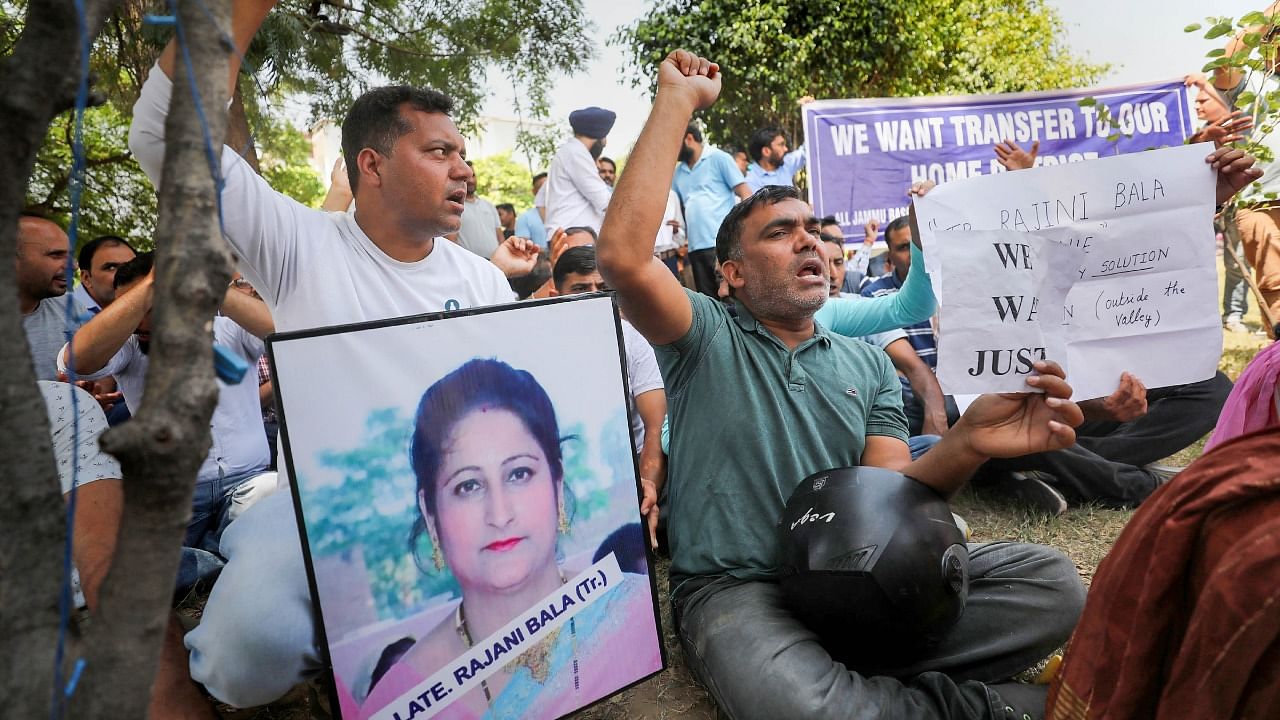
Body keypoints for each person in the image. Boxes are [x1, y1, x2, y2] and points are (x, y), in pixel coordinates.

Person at [596, 48, 1089, 719]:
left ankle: (862, 682)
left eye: (812, 231)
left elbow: (895, 497)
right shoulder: (704, 334)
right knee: (798, 703)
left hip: (863, 580)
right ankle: (992, 707)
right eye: (780, 233)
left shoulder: (866, 364)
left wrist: (970, 440)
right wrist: (676, 102)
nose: (810, 244)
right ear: (731, 274)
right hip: (739, 591)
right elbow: (624, 257)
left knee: (1051, 583)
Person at [128, 0, 540, 707]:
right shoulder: (300, 247)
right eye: (440, 152)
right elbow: (167, 140)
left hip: (459, 505)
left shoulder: (481, 280)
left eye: (463, 154)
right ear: (372, 165)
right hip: (325, 510)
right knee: (245, 657)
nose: (464, 171)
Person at [346, 358, 660, 719]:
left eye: (519, 473)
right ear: (430, 514)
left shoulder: (633, 615)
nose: (499, 514)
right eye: (468, 485)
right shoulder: (397, 702)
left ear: (557, 485)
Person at [58, 252, 279, 589]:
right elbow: (76, 361)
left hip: (247, 484)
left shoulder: (231, 330)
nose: (143, 321)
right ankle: (220, 561)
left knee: (272, 495)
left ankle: (209, 561)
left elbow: (281, 328)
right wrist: (150, 284)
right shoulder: (129, 344)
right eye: (135, 307)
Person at [551, 246, 668, 545]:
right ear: (555, 296)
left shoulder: (634, 339)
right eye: (581, 288)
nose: (595, 296)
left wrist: (645, 493)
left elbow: (655, 429)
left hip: (633, 473)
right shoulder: (542, 348)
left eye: (603, 288)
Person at [820, 232, 948, 441]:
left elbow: (913, 364)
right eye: (820, 264)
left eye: (838, 262)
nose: (832, 273)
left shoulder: (857, 306)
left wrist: (936, 418)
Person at [672, 121, 751, 297]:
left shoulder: (719, 158)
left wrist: (738, 232)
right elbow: (679, 208)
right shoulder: (678, 173)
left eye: (674, 142)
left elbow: (746, 193)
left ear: (689, 138)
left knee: (732, 297)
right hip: (695, 248)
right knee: (709, 302)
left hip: (721, 244)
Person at [18, 215, 87, 382]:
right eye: (56, 255)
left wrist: (87, 396)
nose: (74, 265)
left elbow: (98, 373)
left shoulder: (73, 310)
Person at [544, 106, 615, 234]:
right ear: (598, 136)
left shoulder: (570, 152)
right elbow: (605, 202)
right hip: (573, 237)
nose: (605, 143)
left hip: (571, 234)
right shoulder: (577, 154)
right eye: (604, 138)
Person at [73, 234, 137, 314]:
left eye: (132, 265)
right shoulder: (61, 314)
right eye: (111, 268)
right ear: (87, 278)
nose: (127, 274)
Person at [456, 163, 504, 259]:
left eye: (473, 175)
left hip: (494, 264)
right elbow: (451, 242)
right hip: (469, 265)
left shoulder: (489, 206)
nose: (471, 180)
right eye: (466, 177)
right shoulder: (455, 206)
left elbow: (500, 238)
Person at [744, 125, 807, 192]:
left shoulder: (786, 163)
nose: (786, 149)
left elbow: (805, 151)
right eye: (781, 145)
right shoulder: (751, 181)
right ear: (766, 151)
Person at [515, 172, 549, 248]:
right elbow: (523, 247)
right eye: (542, 187)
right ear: (534, 191)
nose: (546, 191)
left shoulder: (564, 213)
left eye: (549, 187)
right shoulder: (525, 218)